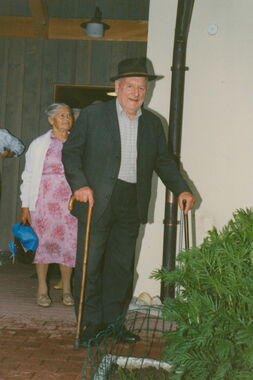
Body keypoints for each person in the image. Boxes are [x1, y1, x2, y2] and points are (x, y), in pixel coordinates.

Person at [62, 57, 195, 344]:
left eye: (141, 88)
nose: (136, 93)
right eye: (130, 86)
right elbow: (71, 153)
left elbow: (164, 162)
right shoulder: (94, 115)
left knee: (121, 268)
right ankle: (88, 326)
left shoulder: (153, 124)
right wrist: (80, 185)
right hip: (96, 200)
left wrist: (182, 189)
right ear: (118, 86)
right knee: (91, 265)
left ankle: (113, 324)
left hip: (131, 202)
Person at [20, 103, 77, 308]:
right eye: (61, 115)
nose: (66, 119)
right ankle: (42, 288)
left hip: (70, 204)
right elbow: (27, 175)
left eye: (69, 115)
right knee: (43, 245)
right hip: (43, 202)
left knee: (68, 246)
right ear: (51, 120)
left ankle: (68, 290)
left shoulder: (76, 141)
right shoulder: (39, 144)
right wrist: (25, 205)